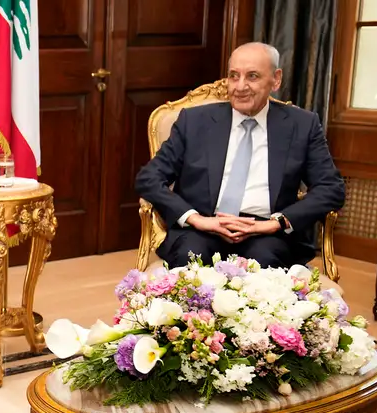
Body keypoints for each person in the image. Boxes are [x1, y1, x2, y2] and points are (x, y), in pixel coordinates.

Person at [134, 42, 345, 269]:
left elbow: (331, 188)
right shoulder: (194, 121)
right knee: (191, 258)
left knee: (263, 265)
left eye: (252, 76)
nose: (240, 86)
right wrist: (196, 219)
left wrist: (276, 223)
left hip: (266, 232)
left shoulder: (301, 125)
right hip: (202, 228)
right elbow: (149, 178)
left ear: (276, 80)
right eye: (234, 76)